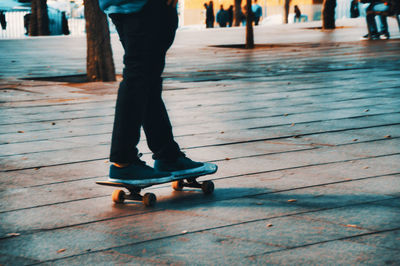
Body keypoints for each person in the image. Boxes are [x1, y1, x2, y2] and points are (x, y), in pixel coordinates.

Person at [98, 0, 211, 186]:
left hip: (121, 7)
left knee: (146, 79)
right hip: (146, 7)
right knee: (138, 78)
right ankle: (123, 160)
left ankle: (167, 155)